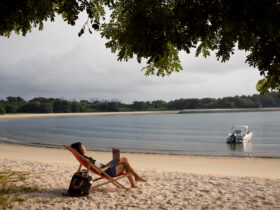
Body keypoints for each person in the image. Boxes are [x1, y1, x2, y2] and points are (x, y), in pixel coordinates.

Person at [70, 142, 146, 188]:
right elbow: (99, 171)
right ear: (80, 149)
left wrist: (108, 164)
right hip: (108, 171)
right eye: (83, 146)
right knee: (125, 163)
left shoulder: (85, 158)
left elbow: (98, 168)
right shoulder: (88, 159)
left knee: (123, 158)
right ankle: (135, 179)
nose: (85, 147)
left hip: (105, 168)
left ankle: (135, 179)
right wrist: (108, 166)